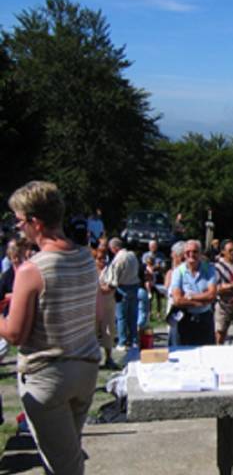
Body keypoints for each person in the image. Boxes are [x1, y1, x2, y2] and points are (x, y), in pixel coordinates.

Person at [3, 181, 101, 474]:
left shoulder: (32, 269)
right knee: (66, 455)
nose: (18, 228)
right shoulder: (85, 257)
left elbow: (15, 333)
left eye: (19, 221)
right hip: (85, 369)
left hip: (48, 376)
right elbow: (85, 312)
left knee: (63, 466)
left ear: (36, 222)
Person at [170, 239, 217, 346]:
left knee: (207, 352)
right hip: (185, 319)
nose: (191, 255)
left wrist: (190, 296)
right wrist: (199, 302)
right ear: (184, 254)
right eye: (188, 252)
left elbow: (212, 295)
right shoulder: (178, 272)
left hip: (205, 319)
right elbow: (177, 300)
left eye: (195, 251)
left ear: (200, 253)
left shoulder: (209, 269)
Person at [104, 237, 140, 349]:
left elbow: (114, 279)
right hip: (134, 286)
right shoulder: (132, 255)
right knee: (133, 316)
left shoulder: (118, 259)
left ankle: (122, 341)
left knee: (121, 317)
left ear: (114, 248)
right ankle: (134, 340)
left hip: (122, 288)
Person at [214, 240, 233, 345]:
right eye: (230, 250)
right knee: (220, 335)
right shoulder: (217, 268)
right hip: (223, 306)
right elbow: (217, 288)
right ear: (223, 252)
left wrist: (230, 287)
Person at [163, 240, 186, 347]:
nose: (172, 257)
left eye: (173, 255)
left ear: (179, 256)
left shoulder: (183, 271)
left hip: (179, 309)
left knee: (177, 340)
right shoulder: (173, 271)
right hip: (172, 307)